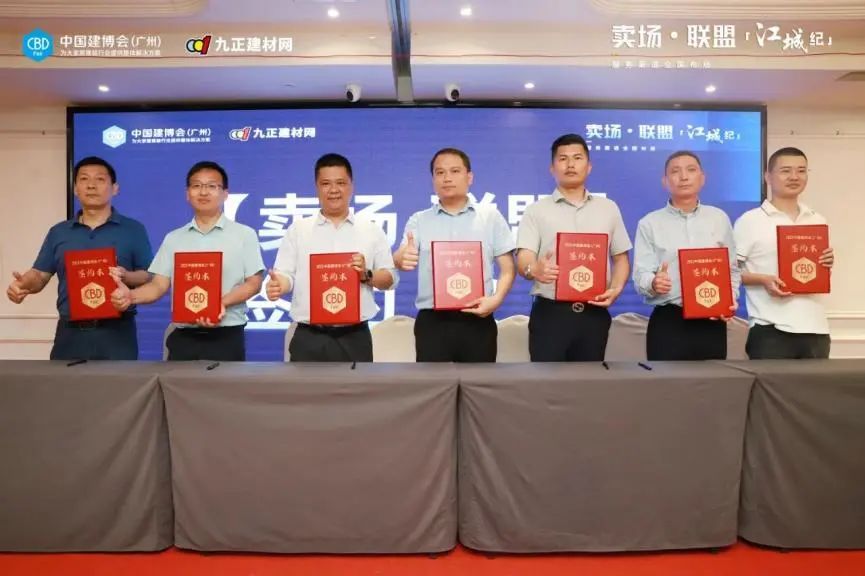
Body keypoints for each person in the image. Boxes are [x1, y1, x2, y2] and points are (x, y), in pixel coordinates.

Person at [110, 161, 264, 361]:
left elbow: (254, 283)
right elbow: (158, 285)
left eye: (212, 186)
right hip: (184, 337)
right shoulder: (174, 238)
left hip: (227, 337)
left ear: (225, 194)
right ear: (187, 193)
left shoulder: (244, 235)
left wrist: (219, 303)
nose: (203, 192)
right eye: (196, 185)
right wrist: (130, 296)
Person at [6, 156, 152, 360]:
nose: (91, 185)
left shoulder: (133, 229)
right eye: (84, 179)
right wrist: (24, 284)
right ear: (75, 189)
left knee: (120, 382)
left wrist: (126, 276)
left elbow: (148, 276)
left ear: (115, 188)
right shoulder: (59, 232)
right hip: (70, 334)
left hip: (117, 333)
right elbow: (39, 275)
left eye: (100, 179)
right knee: (63, 382)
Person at [266, 153, 396, 362]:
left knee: (357, 385)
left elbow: (389, 279)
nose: (334, 190)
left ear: (351, 186)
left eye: (340, 183)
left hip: (355, 337)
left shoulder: (371, 230)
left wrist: (366, 274)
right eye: (326, 183)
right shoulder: (299, 230)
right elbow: (285, 274)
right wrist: (279, 285)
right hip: (309, 336)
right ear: (317, 187)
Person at [516, 133, 632, 362]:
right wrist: (534, 270)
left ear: (589, 166)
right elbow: (524, 258)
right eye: (563, 159)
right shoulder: (536, 211)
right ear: (552, 168)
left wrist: (616, 289)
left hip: (594, 312)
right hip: (550, 314)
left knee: (589, 381)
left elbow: (621, 258)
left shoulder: (608, 208)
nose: (570, 164)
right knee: (546, 381)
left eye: (577, 158)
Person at [393, 147, 515, 362]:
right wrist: (402, 258)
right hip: (433, 323)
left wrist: (496, 300)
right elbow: (400, 256)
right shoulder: (419, 220)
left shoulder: (490, 217)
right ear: (433, 179)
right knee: (432, 383)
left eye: (455, 171)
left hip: (478, 318)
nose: (447, 178)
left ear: (470, 177)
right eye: (440, 172)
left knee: (479, 382)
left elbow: (507, 268)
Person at [633, 150, 739, 361]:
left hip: (711, 319)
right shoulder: (649, 223)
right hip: (669, 321)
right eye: (675, 171)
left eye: (691, 170)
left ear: (702, 178)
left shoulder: (719, 218)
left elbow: (732, 269)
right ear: (665, 181)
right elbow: (640, 275)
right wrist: (654, 282)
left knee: (712, 381)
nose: (683, 177)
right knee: (666, 382)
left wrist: (730, 299)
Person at [734, 147, 834, 359]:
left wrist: (826, 264)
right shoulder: (750, 221)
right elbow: (728, 273)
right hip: (770, 330)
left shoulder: (817, 219)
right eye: (786, 171)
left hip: (816, 329)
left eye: (801, 170)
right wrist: (762, 279)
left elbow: (818, 274)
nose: (794, 177)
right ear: (768, 177)